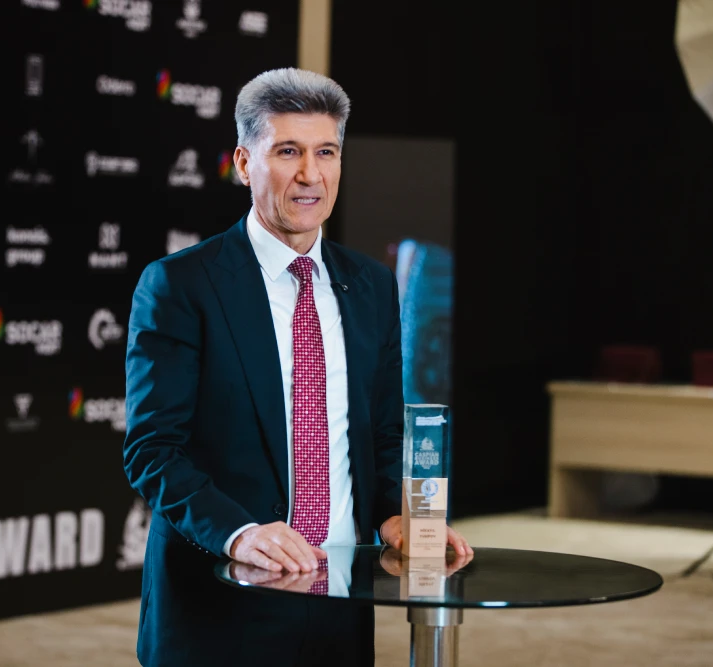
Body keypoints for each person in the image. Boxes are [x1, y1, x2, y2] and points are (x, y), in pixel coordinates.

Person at [124, 67, 471, 667]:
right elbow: (154, 451)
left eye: (326, 152)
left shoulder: (371, 285)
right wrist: (240, 535)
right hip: (221, 603)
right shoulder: (180, 286)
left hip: (341, 600)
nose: (311, 174)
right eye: (288, 152)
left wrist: (396, 515)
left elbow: (383, 434)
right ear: (243, 163)